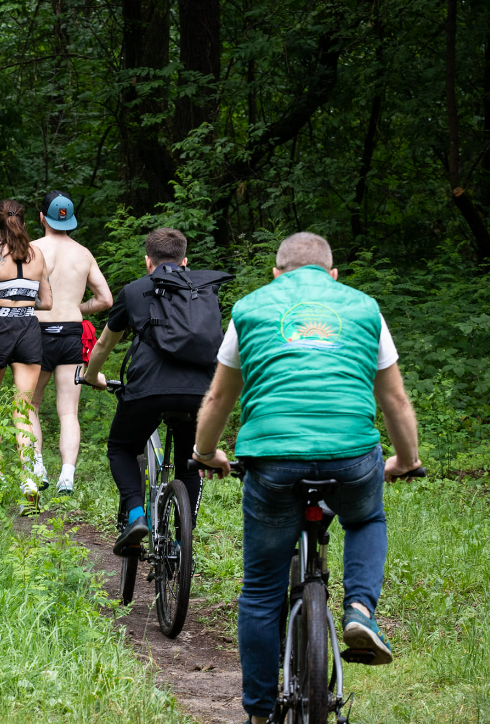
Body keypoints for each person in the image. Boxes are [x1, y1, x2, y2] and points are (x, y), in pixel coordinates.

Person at [191, 232, 421, 724]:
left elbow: (217, 398)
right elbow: (396, 400)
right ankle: (359, 610)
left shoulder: (250, 308)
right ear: (332, 275)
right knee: (365, 519)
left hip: (271, 460)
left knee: (260, 592)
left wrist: (205, 452)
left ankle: (257, 713)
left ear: (277, 273)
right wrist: (405, 459)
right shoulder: (363, 308)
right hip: (351, 456)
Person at [83, 227, 232, 553]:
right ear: (185, 260)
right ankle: (182, 541)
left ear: (148, 261)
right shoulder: (206, 291)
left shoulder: (134, 291)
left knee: (121, 448)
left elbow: (105, 343)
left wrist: (92, 375)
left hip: (148, 389)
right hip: (200, 393)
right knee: (190, 461)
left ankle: (137, 515)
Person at [27, 190, 112, 495]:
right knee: (68, 412)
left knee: (29, 406)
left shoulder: (30, 249)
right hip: (71, 333)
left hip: (36, 333)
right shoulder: (84, 253)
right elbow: (105, 299)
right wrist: (79, 308)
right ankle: (67, 475)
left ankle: (36, 467)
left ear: (41, 218)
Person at [0, 199, 52, 511]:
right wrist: (22, 295)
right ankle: (30, 479)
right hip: (28, 329)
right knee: (23, 406)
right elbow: (45, 301)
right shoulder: (37, 253)